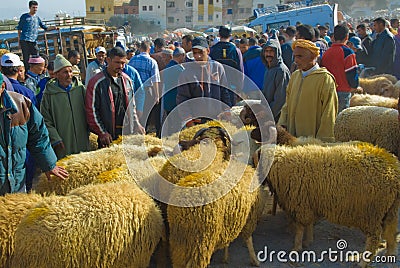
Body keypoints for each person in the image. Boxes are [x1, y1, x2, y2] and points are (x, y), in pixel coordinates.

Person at [0, 72, 68, 195]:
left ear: (2, 87)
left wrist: (48, 164)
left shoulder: (21, 105)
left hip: (16, 183)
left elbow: (38, 135)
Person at [278, 39, 338, 142]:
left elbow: (329, 112)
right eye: (295, 56)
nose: (296, 61)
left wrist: (323, 140)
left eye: (300, 56)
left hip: (312, 141)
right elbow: (287, 103)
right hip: (292, 137)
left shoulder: (325, 79)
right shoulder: (295, 76)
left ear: (313, 57)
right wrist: (282, 123)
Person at [86, 47, 145, 148]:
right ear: (108, 60)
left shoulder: (128, 81)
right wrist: (102, 132)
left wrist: (137, 123)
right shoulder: (96, 82)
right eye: (117, 62)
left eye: (123, 63)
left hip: (126, 133)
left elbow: (132, 106)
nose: (121, 66)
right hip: (108, 136)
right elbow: (91, 111)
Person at [40, 54, 90, 159]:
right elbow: (45, 119)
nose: (69, 75)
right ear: (57, 74)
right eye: (65, 72)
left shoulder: (80, 89)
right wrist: (55, 138)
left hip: (82, 137)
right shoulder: (49, 93)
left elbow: (90, 110)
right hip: (63, 140)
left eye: (70, 71)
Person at [177, 37, 232, 128]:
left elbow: (224, 91)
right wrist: (188, 121)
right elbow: (182, 99)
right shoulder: (186, 73)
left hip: (216, 119)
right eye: (195, 53)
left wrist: (227, 111)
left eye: (201, 52)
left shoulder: (218, 68)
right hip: (196, 122)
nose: (198, 56)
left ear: (208, 51)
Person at [321, 24, 358, 113]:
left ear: (333, 37)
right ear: (347, 37)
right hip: (343, 91)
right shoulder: (348, 52)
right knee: (342, 119)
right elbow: (352, 73)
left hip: (328, 90)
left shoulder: (327, 53)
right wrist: (354, 86)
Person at [128, 41, 161, 136]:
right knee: (145, 114)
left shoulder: (133, 59)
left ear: (140, 48)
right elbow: (155, 80)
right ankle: (143, 131)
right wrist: (157, 95)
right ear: (149, 49)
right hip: (147, 91)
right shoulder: (152, 62)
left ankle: (134, 130)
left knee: (134, 112)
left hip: (133, 90)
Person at [209, 26, 244, 105]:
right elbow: (240, 71)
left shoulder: (212, 50)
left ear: (219, 35)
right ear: (230, 35)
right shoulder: (236, 50)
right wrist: (239, 88)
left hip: (215, 87)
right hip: (231, 87)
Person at [17, 1, 56, 70]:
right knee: (26, 58)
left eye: (36, 8)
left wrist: (53, 28)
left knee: (36, 56)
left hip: (33, 41)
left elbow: (44, 27)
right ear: (30, 8)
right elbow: (19, 29)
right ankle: (27, 72)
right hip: (25, 40)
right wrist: (19, 41)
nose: (35, 9)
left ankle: (37, 70)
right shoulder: (24, 17)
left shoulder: (37, 18)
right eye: (33, 7)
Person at [261, 39, 290, 122]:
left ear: (277, 53)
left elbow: (280, 99)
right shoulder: (268, 68)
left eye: (271, 51)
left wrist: (268, 115)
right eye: (266, 51)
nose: (268, 54)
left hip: (277, 116)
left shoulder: (281, 70)